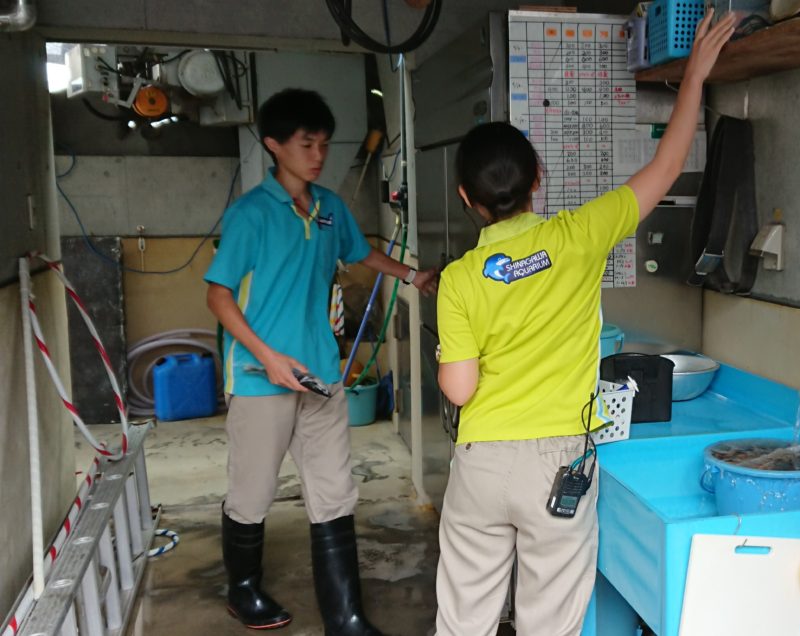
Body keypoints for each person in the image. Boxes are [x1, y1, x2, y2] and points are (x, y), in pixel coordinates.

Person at [433, 12, 736, 636]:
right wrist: (695, 76)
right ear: (538, 182)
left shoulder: (460, 278)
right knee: (551, 622)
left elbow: (459, 390)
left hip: (481, 463)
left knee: (464, 620)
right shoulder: (580, 235)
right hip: (558, 464)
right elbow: (668, 161)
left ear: (467, 199)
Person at [205, 88, 436, 635]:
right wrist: (268, 356)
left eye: (324, 144)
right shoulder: (250, 215)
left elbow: (360, 254)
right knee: (252, 494)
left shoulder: (330, 208)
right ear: (273, 145)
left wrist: (411, 275)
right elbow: (218, 295)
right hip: (262, 379)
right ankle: (243, 590)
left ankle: (345, 617)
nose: (317, 154)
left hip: (322, 376)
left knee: (334, 494)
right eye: (306, 143)